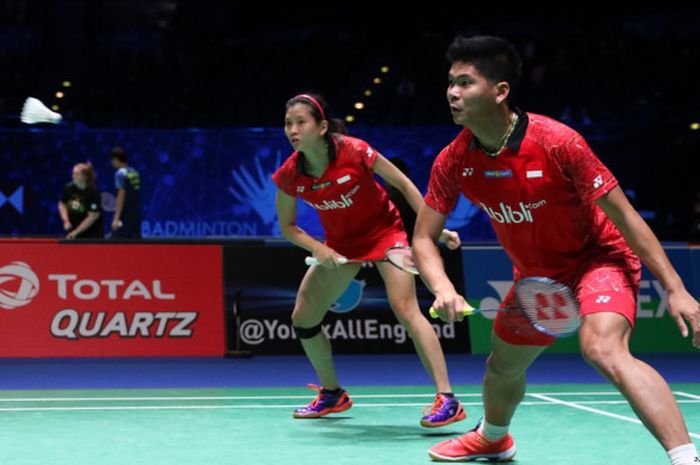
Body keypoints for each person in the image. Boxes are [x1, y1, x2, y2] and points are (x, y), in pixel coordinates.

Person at [413, 35, 700, 463]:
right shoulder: (454, 161)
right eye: (450, 82)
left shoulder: (557, 142)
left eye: (466, 83)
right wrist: (442, 288)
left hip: (599, 258)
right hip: (537, 279)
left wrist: (675, 287)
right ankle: (494, 438)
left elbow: (624, 216)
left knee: (602, 349)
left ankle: (685, 458)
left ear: (500, 91)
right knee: (501, 367)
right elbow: (422, 238)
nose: (452, 93)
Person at [272, 93, 465, 427]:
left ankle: (447, 399)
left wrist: (437, 227)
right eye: (288, 123)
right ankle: (333, 394)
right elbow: (288, 227)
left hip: (386, 234)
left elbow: (402, 183)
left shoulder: (354, 150)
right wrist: (319, 249)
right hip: (342, 245)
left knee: (405, 307)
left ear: (321, 127)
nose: (293, 130)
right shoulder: (291, 173)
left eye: (301, 122)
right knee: (303, 317)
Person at [58, 162, 104, 239]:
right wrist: (66, 221)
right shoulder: (69, 188)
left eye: (76, 174)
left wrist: (76, 232)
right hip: (73, 233)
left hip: (91, 235)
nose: (73, 176)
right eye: (73, 173)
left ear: (84, 177)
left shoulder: (93, 193)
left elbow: (93, 216)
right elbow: (62, 204)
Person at [109, 146, 142, 238]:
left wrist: (116, 218)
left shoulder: (120, 174)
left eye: (112, 160)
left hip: (124, 216)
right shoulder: (134, 172)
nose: (112, 163)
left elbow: (121, 196)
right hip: (135, 216)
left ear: (116, 159)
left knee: (116, 246)